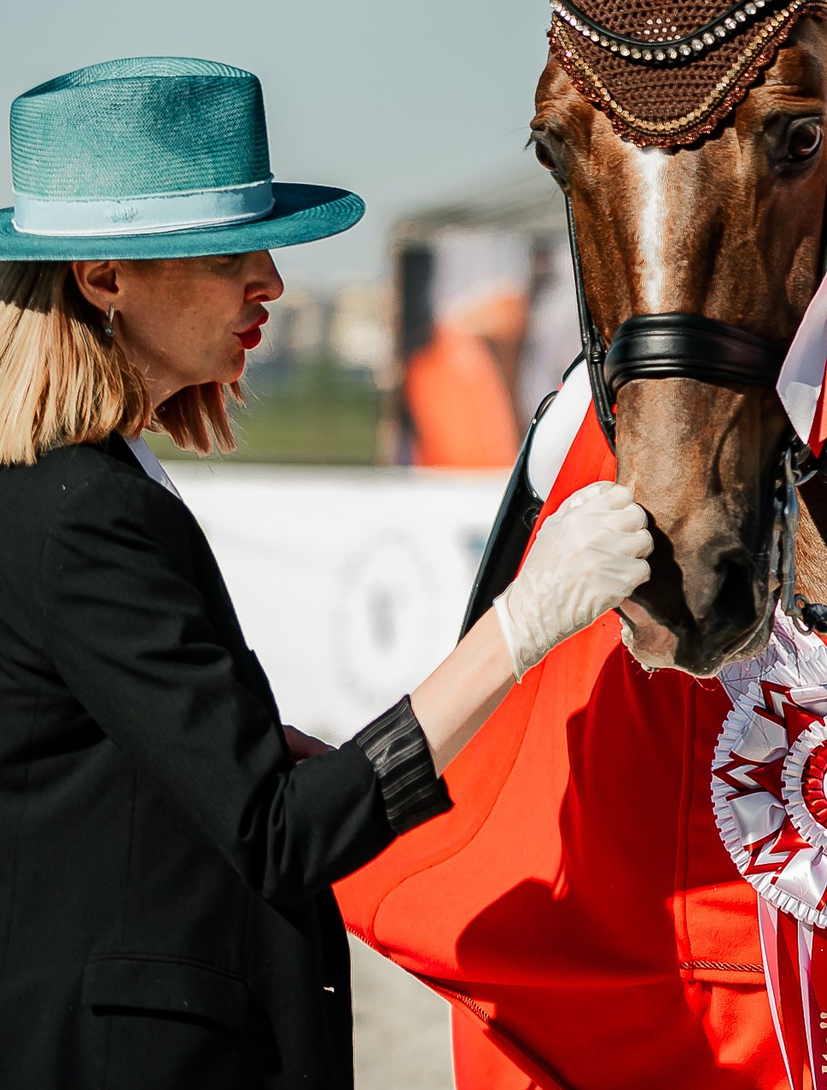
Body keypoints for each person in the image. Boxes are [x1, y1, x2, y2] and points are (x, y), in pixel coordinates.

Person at [0, 57, 656, 1090]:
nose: (270, 278)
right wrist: (523, 623)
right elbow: (277, 835)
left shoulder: (85, 486)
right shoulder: (78, 510)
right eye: (227, 249)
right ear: (102, 276)